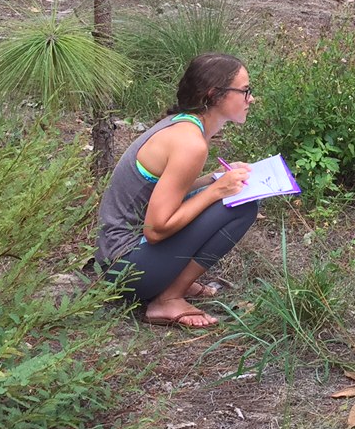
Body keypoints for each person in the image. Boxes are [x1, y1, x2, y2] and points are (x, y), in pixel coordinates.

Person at [96, 52, 260, 328]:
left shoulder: (182, 125)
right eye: (245, 91)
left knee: (237, 191)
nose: (251, 99)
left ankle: (173, 280)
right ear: (214, 94)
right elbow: (156, 229)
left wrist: (212, 179)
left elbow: (164, 191)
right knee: (243, 205)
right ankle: (168, 298)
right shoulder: (190, 143)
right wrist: (216, 191)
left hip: (113, 260)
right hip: (125, 269)